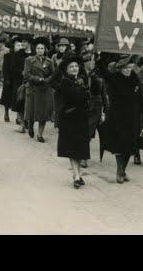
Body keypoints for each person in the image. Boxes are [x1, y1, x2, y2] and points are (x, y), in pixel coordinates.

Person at [103, 56, 143, 183]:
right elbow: (103, 72)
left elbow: (139, 95)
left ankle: (123, 170)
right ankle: (120, 171)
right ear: (120, 69)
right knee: (120, 146)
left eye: (130, 68)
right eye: (125, 68)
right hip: (117, 116)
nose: (128, 70)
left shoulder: (134, 78)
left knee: (130, 146)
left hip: (132, 116)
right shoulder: (114, 79)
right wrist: (98, 56)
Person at [56, 55, 91, 188]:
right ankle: (76, 176)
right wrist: (84, 93)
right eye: (71, 67)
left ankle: (78, 174)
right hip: (69, 118)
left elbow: (89, 96)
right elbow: (77, 97)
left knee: (81, 147)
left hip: (82, 117)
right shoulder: (65, 82)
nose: (74, 68)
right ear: (66, 69)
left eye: (76, 66)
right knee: (72, 147)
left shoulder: (83, 80)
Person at [23, 37, 55, 140]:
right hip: (33, 88)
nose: (40, 50)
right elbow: (27, 75)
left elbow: (54, 74)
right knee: (32, 111)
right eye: (38, 48)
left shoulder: (49, 61)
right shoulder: (29, 60)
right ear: (35, 49)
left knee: (43, 114)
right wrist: (38, 79)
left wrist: (47, 80)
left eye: (42, 48)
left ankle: (40, 134)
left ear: (45, 49)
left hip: (45, 89)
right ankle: (31, 126)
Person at [86, 64, 109, 168]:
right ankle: (83, 157)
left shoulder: (100, 80)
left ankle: (84, 157)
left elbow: (104, 96)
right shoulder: (82, 78)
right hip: (84, 108)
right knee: (85, 134)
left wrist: (106, 110)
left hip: (96, 110)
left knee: (89, 133)